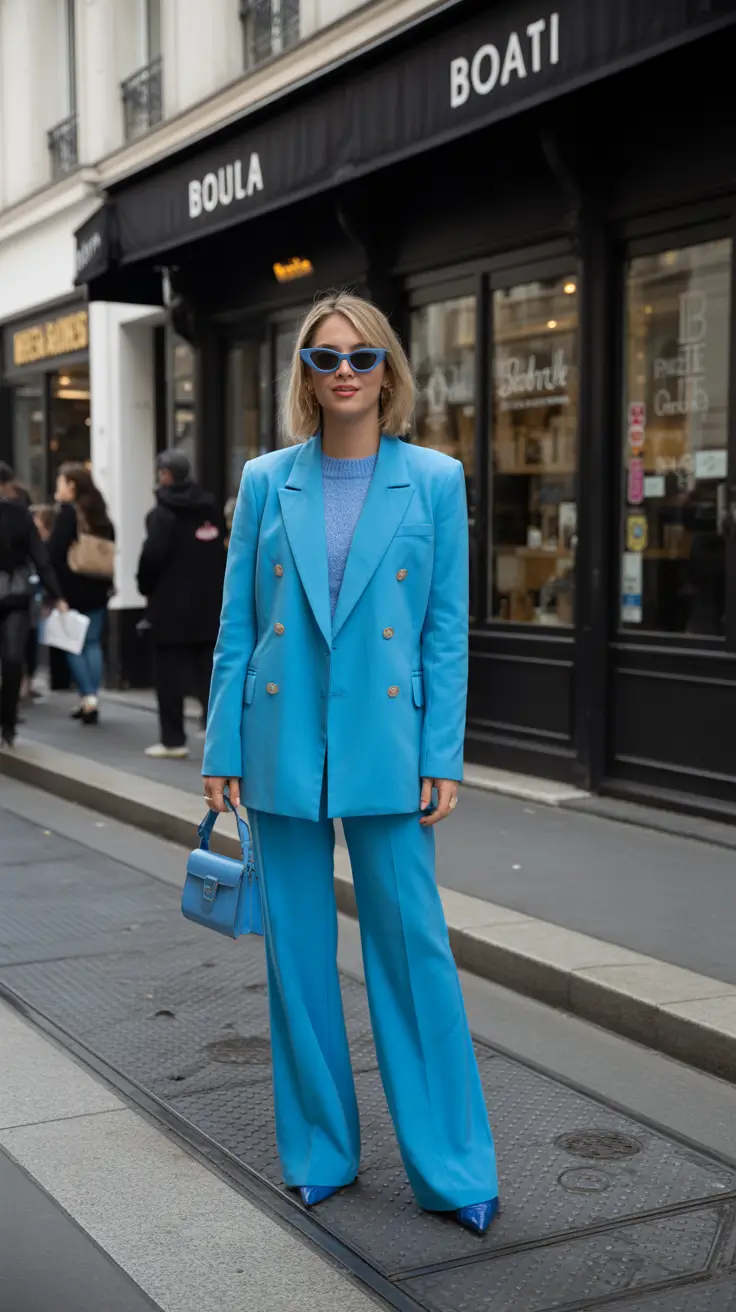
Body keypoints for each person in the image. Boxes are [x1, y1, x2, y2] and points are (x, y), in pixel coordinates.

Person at [202, 293, 499, 1234]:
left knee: (414, 953)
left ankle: (452, 1166)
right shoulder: (264, 481)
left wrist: (443, 751)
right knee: (296, 955)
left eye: (361, 358)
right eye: (324, 358)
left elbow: (448, 630)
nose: (343, 373)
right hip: (279, 739)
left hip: (388, 744)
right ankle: (322, 1150)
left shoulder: (437, 480)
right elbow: (237, 625)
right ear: (304, 373)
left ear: (388, 371)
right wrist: (219, 747)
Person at [137, 450, 225, 759]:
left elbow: (152, 558)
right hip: (209, 605)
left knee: (169, 677)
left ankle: (173, 740)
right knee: (209, 674)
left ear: (165, 475)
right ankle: (220, 736)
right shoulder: (210, 509)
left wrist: (144, 587)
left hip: (170, 607)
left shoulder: (161, 514)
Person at [48, 464, 115, 725]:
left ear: (72, 486)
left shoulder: (68, 514)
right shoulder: (100, 514)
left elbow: (54, 553)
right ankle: (92, 697)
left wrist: (57, 592)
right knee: (93, 643)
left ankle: (88, 697)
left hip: (71, 588)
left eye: (61, 483)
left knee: (72, 643)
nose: (58, 488)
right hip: (99, 586)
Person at [0, 466, 61, 746]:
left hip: (14, 596)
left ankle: (8, 722)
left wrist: (54, 592)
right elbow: (40, 556)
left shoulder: (19, 515)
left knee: (12, 659)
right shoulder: (21, 514)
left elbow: (39, 555)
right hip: (17, 594)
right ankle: (8, 723)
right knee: (13, 658)